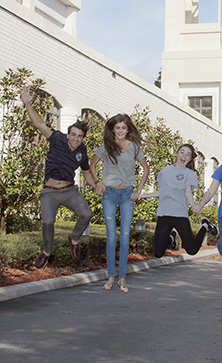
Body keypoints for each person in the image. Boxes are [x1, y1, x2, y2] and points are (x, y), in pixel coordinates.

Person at [21, 85, 101, 269]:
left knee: (86, 214)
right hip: (49, 191)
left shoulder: (82, 150)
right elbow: (39, 124)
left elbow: (86, 171)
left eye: (79, 136)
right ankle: (46, 252)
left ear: (83, 138)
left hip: (69, 190)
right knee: (48, 222)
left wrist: (96, 183)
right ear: (68, 134)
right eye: (73, 134)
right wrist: (27, 104)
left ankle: (74, 239)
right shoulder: (57, 139)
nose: (75, 138)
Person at [89, 114, 149, 293]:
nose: (121, 131)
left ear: (128, 129)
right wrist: (98, 183)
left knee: (124, 237)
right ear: (112, 130)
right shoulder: (106, 147)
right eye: (117, 128)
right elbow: (91, 167)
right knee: (111, 237)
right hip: (110, 193)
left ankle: (122, 278)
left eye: (123, 128)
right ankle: (110, 276)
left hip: (127, 195)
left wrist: (138, 190)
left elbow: (146, 169)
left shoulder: (134, 147)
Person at [140, 144, 218, 258]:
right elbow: (161, 192)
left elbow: (188, 192)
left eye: (188, 155)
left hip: (179, 214)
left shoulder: (190, 174)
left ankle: (205, 226)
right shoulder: (165, 171)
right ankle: (171, 237)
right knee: (158, 253)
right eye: (182, 152)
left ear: (190, 159)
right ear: (177, 153)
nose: (184, 156)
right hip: (164, 213)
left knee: (191, 250)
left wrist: (193, 205)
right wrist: (141, 196)